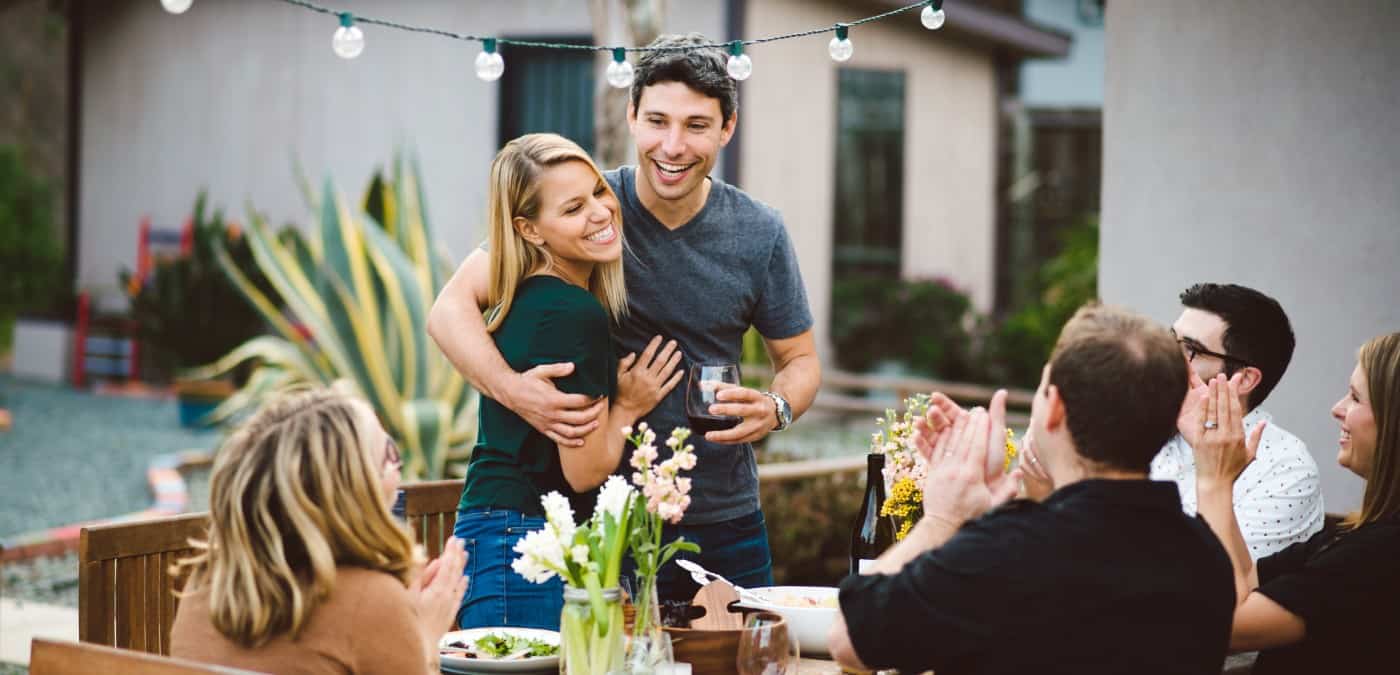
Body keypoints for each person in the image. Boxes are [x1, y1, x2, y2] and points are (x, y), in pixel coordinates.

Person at [428, 34, 821, 603]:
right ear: (632, 117)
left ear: (727, 129)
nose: (673, 145)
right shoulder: (587, 209)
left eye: (696, 125)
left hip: (724, 518)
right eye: (657, 120)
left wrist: (778, 407)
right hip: (603, 526)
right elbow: (449, 310)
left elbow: (801, 359)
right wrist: (518, 392)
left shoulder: (759, 232)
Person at [827, 305, 1235, 675]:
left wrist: (942, 519)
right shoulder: (1206, 557)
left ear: (1054, 407)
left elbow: (849, 640)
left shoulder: (1003, 552)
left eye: (1041, 389)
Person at [450, 133, 682, 629]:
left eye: (598, 191)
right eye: (573, 208)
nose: (600, 212)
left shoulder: (529, 298)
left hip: (495, 529)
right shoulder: (572, 313)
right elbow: (583, 470)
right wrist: (627, 407)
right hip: (523, 539)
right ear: (530, 230)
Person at [169, 386, 469, 675]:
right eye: (386, 455)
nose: (397, 465)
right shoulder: (371, 601)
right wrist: (425, 639)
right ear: (351, 492)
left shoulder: (206, 584)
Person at [1192, 332, 1400, 675]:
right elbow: (1246, 577)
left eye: (1355, 398)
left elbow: (1223, 626)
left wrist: (1212, 482)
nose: (1337, 409)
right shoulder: (1358, 535)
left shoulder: (1382, 552)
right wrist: (1224, 482)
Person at [1153, 283, 1323, 557]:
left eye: (1190, 350)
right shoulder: (1146, 423)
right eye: (1170, 339)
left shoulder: (1286, 469)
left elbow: (1215, 581)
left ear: (1243, 379)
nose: (1167, 356)